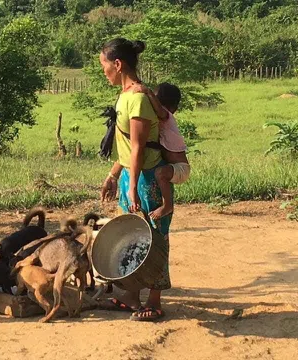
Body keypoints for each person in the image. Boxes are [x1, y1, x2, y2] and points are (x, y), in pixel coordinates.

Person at [99, 37, 173, 321]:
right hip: (132, 176)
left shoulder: (138, 98)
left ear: (117, 65)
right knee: (130, 237)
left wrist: (132, 188)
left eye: (105, 66)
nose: (104, 72)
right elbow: (127, 145)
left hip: (147, 179)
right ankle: (130, 295)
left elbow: (141, 147)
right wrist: (113, 175)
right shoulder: (125, 96)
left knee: (155, 237)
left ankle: (154, 300)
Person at [134, 83, 190, 221]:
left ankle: (167, 206)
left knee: (160, 173)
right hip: (176, 167)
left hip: (181, 169)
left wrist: (148, 92)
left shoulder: (167, 117)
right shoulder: (159, 120)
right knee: (160, 172)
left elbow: (160, 111)